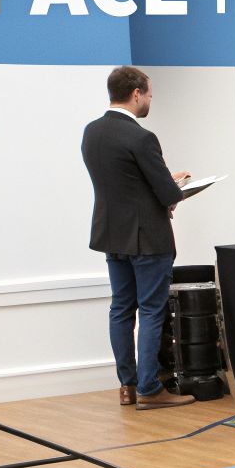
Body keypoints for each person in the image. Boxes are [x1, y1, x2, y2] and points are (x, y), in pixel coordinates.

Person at [81, 66, 196, 410]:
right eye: (148, 93)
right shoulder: (142, 137)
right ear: (135, 93)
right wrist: (174, 188)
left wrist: (164, 181)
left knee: (120, 309)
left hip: (111, 235)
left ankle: (127, 387)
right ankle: (149, 388)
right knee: (150, 310)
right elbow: (163, 193)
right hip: (148, 238)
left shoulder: (92, 132)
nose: (149, 100)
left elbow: (124, 183)